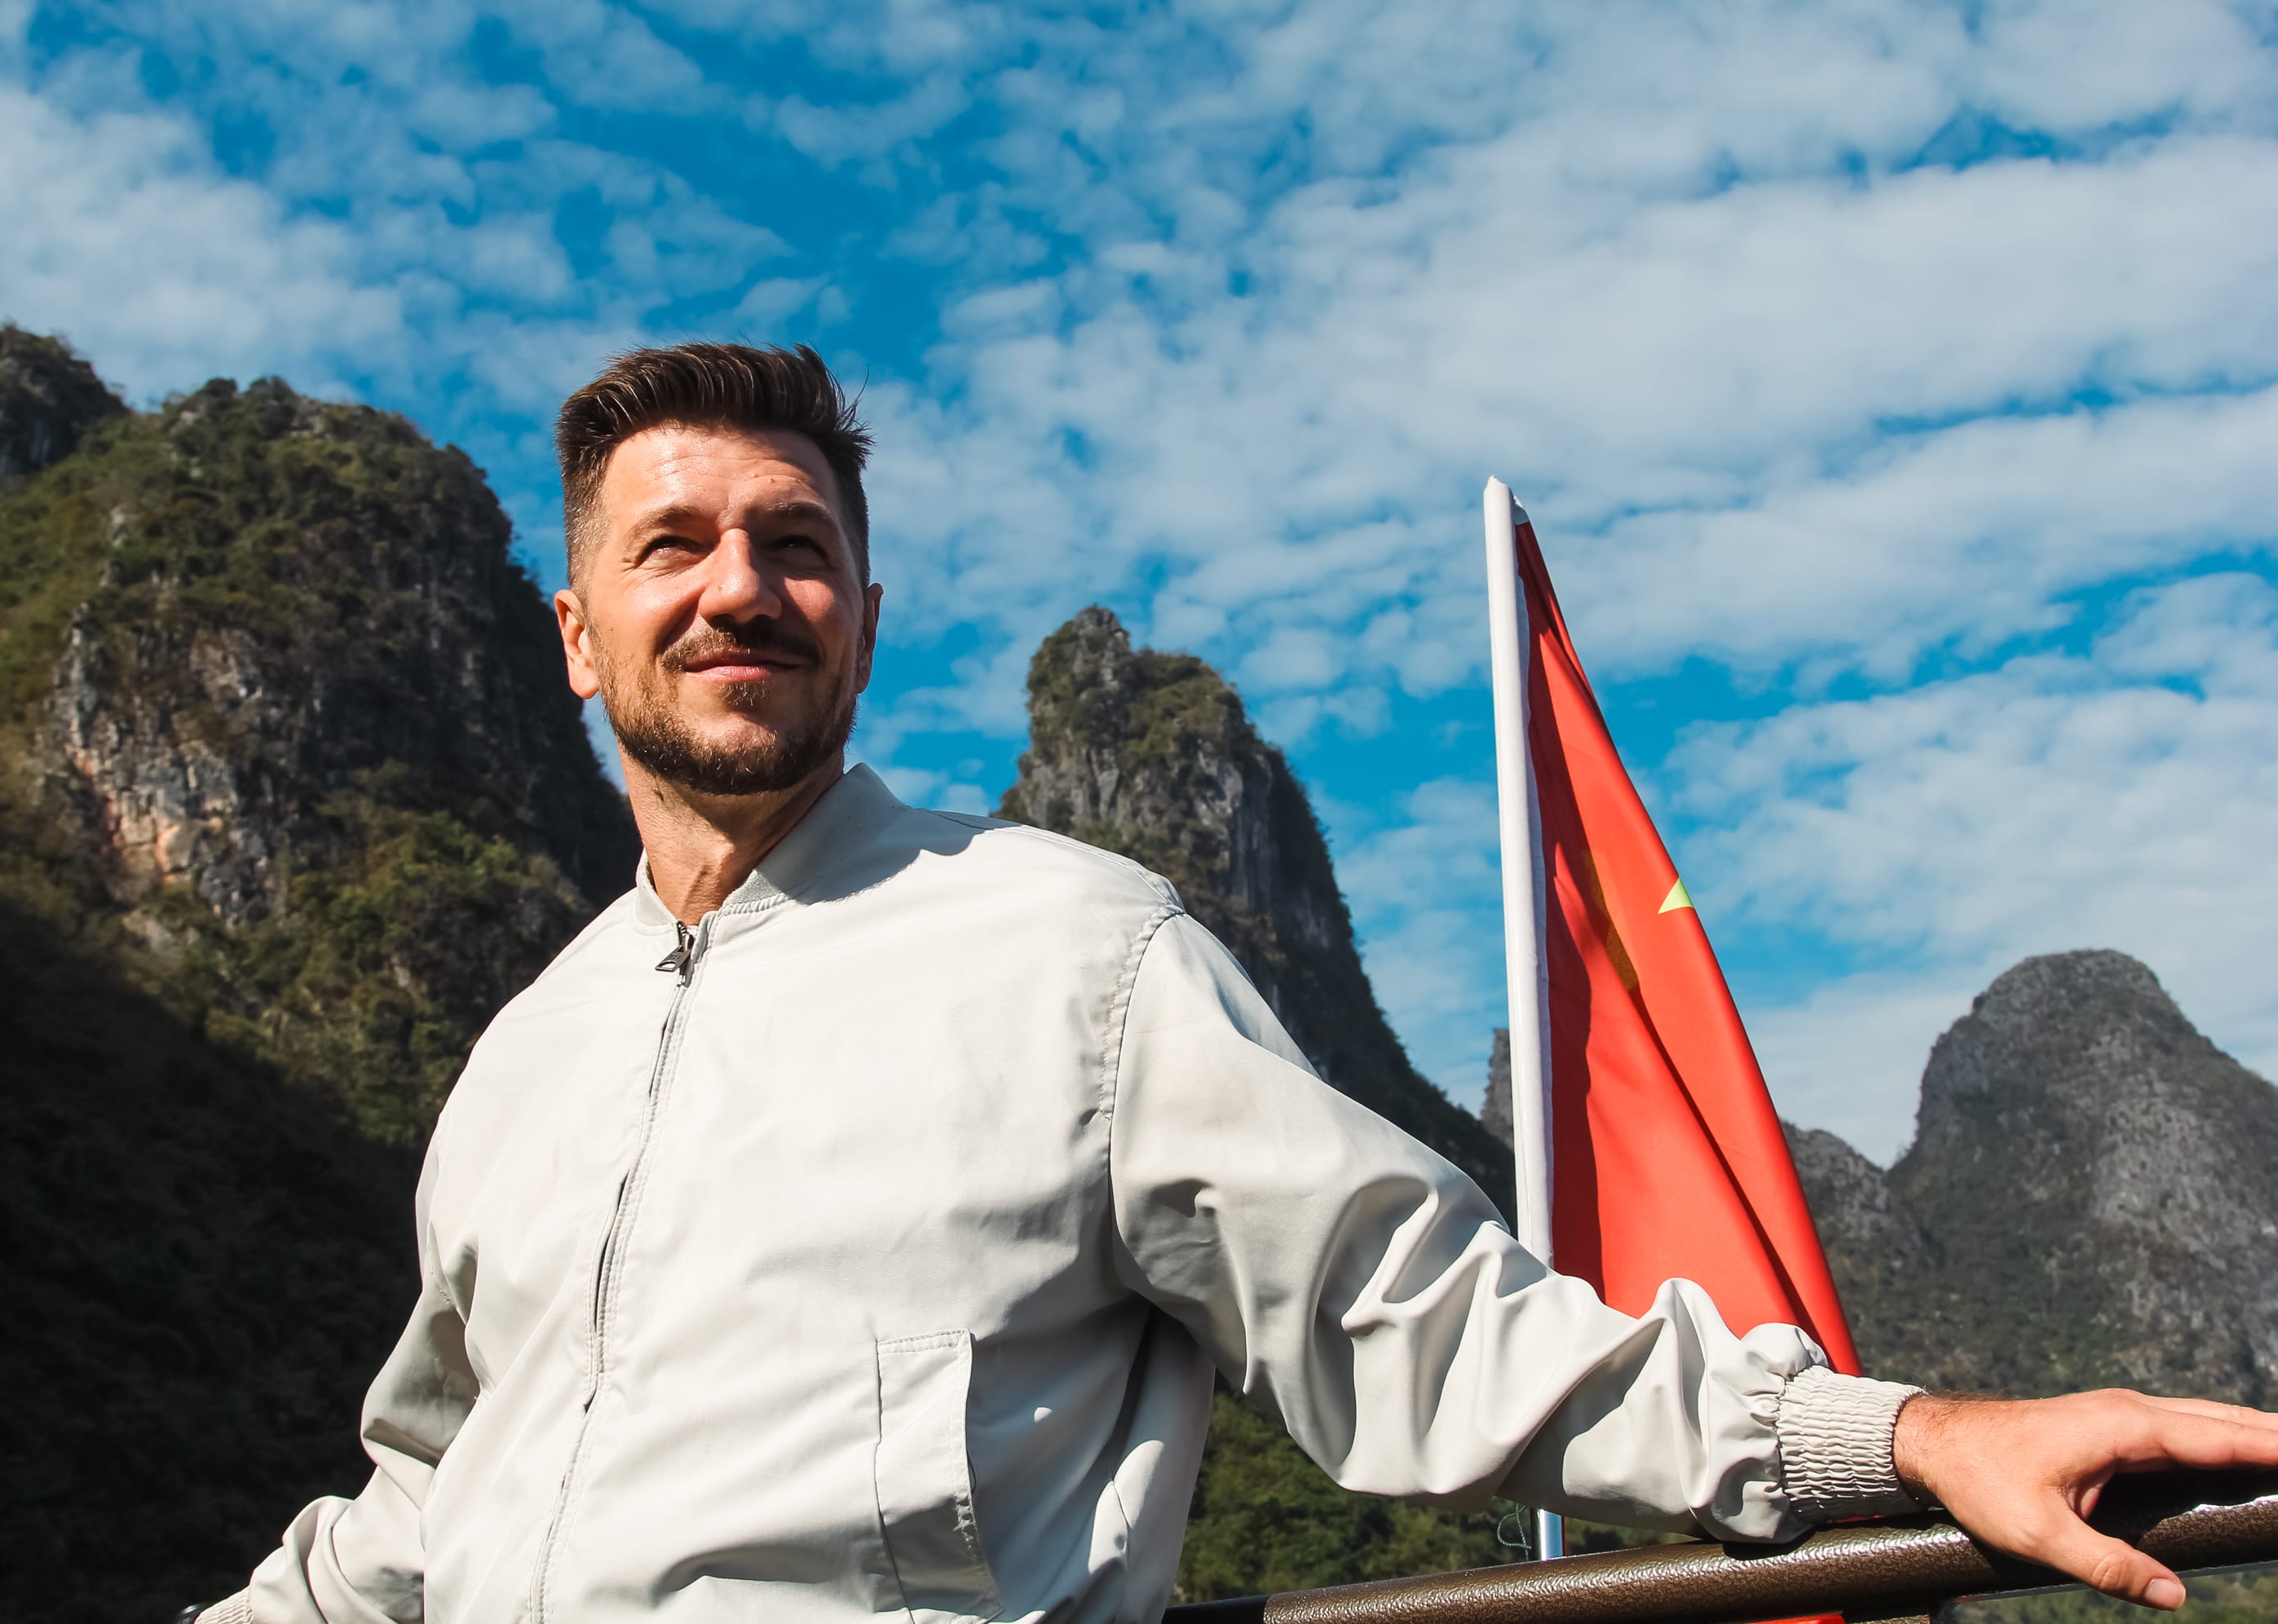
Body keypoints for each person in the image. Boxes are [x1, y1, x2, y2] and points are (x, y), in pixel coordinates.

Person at [196, 343, 2278, 1624]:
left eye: (793, 540)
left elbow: (1424, 1327)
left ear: (865, 610)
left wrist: (1908, 1441)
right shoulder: (522, 1063)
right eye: (672, 546)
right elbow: (427, 1514)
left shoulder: (1070, 951)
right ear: (576, 629)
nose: (740, 582)